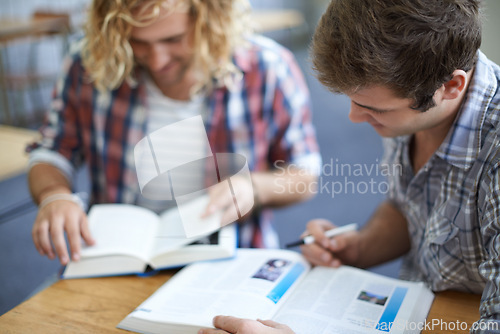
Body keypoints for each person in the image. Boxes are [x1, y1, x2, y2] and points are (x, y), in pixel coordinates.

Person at [199, 0, 500, 333]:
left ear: (450, 86)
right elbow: (413, 207)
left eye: (373, 109)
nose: (354, 118)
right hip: (419, 306)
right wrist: (358, 247)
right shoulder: (409, 104)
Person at [28, 0, 321, 266]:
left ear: (210, 19)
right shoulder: (88, 61)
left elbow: (304, 177)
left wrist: (252, 188)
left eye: (173, 39)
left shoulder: (268, 67)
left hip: (232, 260)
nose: (157, 61)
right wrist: (54, 196)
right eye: (138, 42)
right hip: (116, 259)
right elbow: (52, 151)